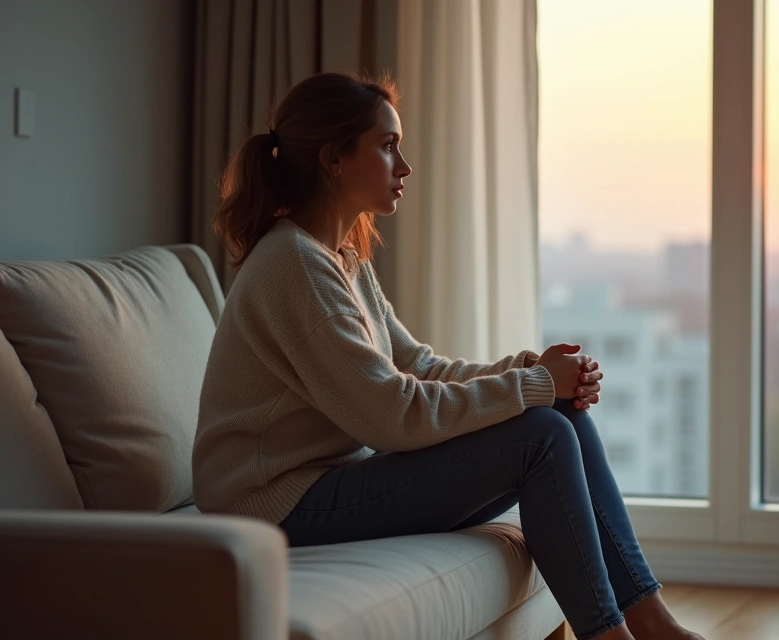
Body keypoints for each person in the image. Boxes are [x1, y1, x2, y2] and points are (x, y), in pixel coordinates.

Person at [193, 71, 703, 640]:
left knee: (561, 420)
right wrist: (536, 386)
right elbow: (392, 416)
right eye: (387, 147)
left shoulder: (339, 260)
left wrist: (533, 373)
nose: (405, 166)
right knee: (542, 435)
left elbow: (421, 367)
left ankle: (652, 622)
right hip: (272, 504)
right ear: (335, 160)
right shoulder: (294, 266)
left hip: (326, 482)